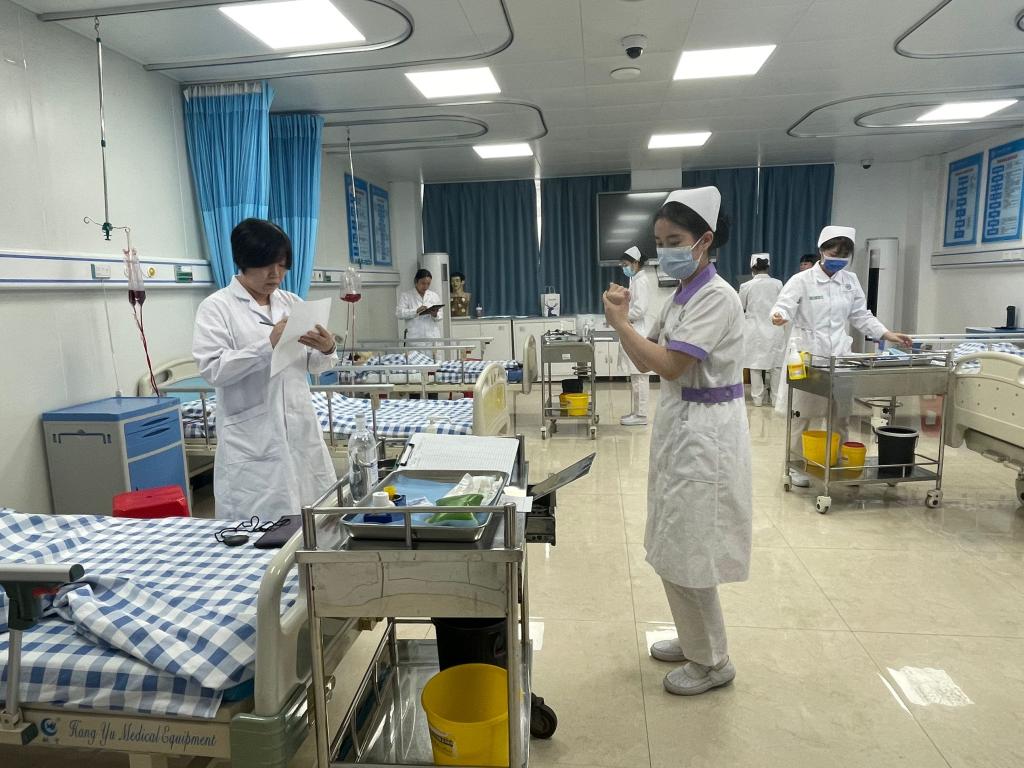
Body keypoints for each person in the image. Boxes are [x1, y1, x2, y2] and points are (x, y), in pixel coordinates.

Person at [603, 187, 751, 696]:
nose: (664, 251)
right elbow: (647, 359)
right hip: (682, 424)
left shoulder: (717, 297)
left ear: (704, 241)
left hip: (707, 433)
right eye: (660, 242)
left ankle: (713, 662)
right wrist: (624, 325)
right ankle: (695, 641)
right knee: (674, 539)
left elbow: (670, 364)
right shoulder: (682, 294)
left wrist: (621, 323)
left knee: (692, 545)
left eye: (674, 241)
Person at [193, 219, 338, 520]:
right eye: (266, 265)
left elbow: (310, 364)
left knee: (314, 523)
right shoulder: (217, 307)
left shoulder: (292, 303)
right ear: (244, 261)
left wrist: (326, 349)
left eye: (282, 265)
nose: (276, 274)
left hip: (300, 430)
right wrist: (268, 345)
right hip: (252, 439)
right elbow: (213, 369)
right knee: (257, 530)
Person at [771, 226, 913, 487]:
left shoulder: (850, 281)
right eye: (833, 254)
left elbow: (861, 316)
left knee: (840, 416)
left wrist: (887, 334)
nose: (838, 260)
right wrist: (779, 315)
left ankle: (836, 461)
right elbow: (784, 306)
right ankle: (796, 465)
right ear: (821, 251)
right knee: (802, 415)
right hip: (807, 356)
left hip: (840, 356)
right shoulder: (801, 280)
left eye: (844, 256)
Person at [739, 253, 784, 407]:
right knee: (776, 365)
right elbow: (783, 305)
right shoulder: (778, 284)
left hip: (754, 330)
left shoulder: (746, 286)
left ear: (752, 268)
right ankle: (776, 399)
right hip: (775, 328)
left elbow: (740, 307)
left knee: (755, 365)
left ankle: (757, 399)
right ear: (768, 267)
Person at [618, 246, 653, 426]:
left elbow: (639, 310)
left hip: (638, 332)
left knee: (640, 377)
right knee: (635, 376)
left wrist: (620, 315)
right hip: (633, 331)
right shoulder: (635, 280)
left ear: (636, 263)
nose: (624, 268)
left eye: (626, 264)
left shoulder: (641, 281)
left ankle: (641, 415)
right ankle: (636, 412)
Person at [397, 268, 443, 341]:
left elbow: (440, 316)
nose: (425, 286)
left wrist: (435, 315)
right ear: (416, 281)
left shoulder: (434, 296)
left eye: (428, 284)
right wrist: (416, 311)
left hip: (432, 336)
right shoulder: (406, 296)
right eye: (423, 283)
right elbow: (399, 314)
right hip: (415, 338)